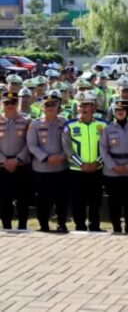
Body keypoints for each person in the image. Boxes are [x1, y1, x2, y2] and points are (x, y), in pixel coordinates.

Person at [63, 91, 106, 232]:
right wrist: (81, 164)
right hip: (77, 171)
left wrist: (97, 163)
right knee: (77, 201)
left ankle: (94, 226)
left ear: (93, 107)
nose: (84, 108)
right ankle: (79, 226)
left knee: (95, 201)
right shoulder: (69, 125)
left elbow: (107, 147)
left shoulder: (103, 125)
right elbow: (67, 148)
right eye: (81, 105)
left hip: (96, 169)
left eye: (87, 105)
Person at [27, 92, 69, 233]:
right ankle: (43, 225)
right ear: (42, 107)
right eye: (47, 105)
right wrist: (46, 157)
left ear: (58, 106)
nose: (50, 107)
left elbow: (69, 142)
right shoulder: (35, 124)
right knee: (43, 200)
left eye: (53, 104)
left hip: (61, 167)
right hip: (42, 168)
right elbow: (32, 145)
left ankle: (62, 224)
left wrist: (63, 156)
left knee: (61, 199)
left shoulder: (64, 122)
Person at [100, 99, 128, 234]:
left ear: (127, 112)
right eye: (117, 111)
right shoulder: (107, 129)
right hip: (112, 171)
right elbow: (103, 150)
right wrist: (113, 166)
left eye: (123, 111)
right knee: (114, 202)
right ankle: (116, 228)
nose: (120, 113)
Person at [0, 91, 32, 230]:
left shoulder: (26, 121)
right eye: (7, 102)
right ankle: (6, 226)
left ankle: (22, 226)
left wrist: (17, 159)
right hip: (2, 166)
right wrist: (4, 161)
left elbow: (29, 143)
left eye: (13, 102)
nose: (10, 105)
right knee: (3, 199)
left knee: (23, 199)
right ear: (2, 104)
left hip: (21, 165)